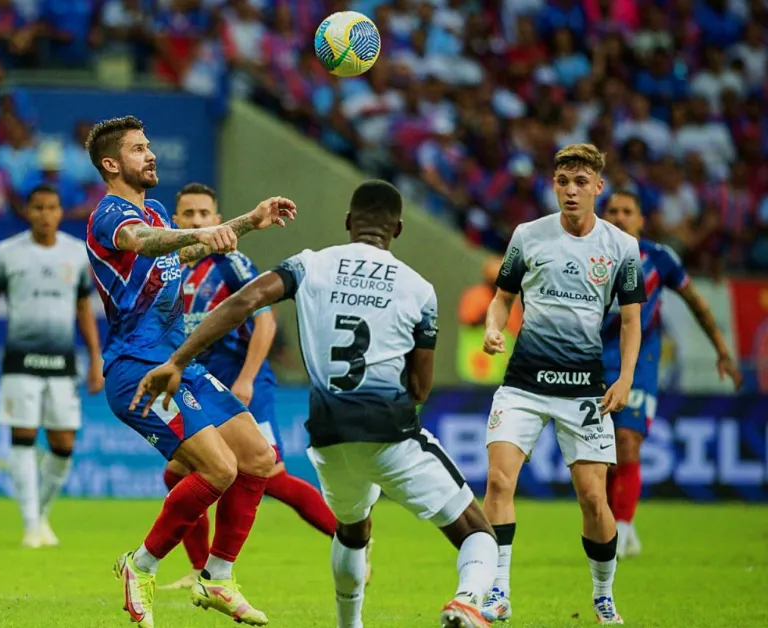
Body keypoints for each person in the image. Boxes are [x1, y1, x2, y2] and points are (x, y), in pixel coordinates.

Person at [132, 180, 499, 628]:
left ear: (347, 222)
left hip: (328, 436)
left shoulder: (310, 265)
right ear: (399, 229)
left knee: (351, 531)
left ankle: (349, 624)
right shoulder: (419, 289)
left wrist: (178, 359)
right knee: (477, 530)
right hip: (390, 430)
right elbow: (420, 388)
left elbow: (245, 302)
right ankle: (467, 599)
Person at [84, 115, 296, 628]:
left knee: (258, 458)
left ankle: (218, 578)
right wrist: (200, 229)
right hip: (140, 370)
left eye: (150, 145)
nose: (150, 154)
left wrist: (246, 222)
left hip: (182, 363)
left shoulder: (155, 209)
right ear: (112, 164)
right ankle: (141, 567)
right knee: (219, 470)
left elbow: (188, 248)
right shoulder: (110, 215)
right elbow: (144, 242)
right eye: (139, 149)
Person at [479, 144, 646, 625]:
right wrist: (495, 326)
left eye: (580, 182)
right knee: (497, 480)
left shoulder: (621, 248)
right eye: (562, 181)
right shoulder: (527, 236)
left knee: (594, 499)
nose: (570, 191)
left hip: (584, 391)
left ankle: (602, 594)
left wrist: (626, 378)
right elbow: (501, 297)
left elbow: (632, 321)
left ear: (598, 187)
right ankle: (497, 592)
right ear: (554, 185)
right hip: (523, 386)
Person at [161, 182, 339, 592]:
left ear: (218, 219)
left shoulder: (231, 262)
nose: (197, 221)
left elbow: (265, 321)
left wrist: (245, 378)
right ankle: (199, 569)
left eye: (204, 214)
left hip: (245, 382)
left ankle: (352, 542)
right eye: (188, 214)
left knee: (271, 477)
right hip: (205, 384)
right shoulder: (175, 267)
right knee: (179, 474)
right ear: (175, 221)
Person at [0, 183, 105, 549]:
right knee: (22, 437)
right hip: (19, 360)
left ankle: (40, 516)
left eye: (51, 207)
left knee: (63, 442)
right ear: (27, 211)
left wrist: (96, 358)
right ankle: (29, 525)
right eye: (37, 207)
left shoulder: (75, 254)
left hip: (62, 361)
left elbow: (84, 309)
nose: (44, 214)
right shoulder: (8, 252)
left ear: (60, 211)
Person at [601, 191, 741, 558]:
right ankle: (615, 523)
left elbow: (695, 300)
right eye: (612, 210)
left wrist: (722, 351)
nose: (619, 217)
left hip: (641, 361)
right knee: (601, 454)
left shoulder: (659, 258)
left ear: (641, 219)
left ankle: (623, 529)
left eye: (627, 211)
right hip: (593, 361)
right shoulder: (585, 253)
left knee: (628, 442)